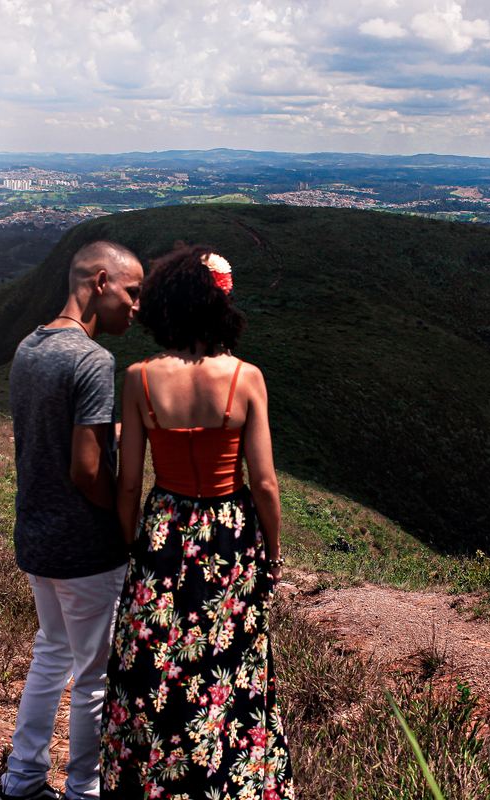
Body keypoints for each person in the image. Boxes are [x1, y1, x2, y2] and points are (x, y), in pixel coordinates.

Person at [100, 244, 294, 800]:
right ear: (219, 307)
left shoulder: (138, 378)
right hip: (230, 535)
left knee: (155, 667)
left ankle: (152, 781)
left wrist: (130, 545)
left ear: (165, 303)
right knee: (228, 664)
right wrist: (272, 556)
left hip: (164, 531)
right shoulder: (246, 378)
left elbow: (129, 482)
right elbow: (264, 484)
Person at [2, 240, 145, 800]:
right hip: (85, 543)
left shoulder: (28, 348)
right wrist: (125, 519)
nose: (135, 309)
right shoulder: (92, 359)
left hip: (37, 535)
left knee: (51, 653)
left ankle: (23, 777)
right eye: (132, 294)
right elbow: (87, 470)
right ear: (102, 281)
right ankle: (84, 789)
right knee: (93, 676)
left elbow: (48, 439)